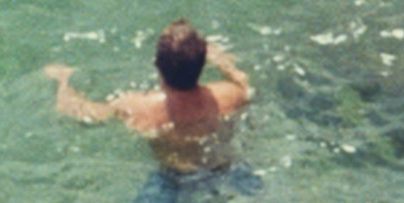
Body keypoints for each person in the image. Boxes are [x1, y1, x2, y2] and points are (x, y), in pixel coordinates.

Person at [46, 20, 255, 171]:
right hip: (224, 169)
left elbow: (81, 113)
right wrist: (221, 61)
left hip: (173, 180)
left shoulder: (135, 107)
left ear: (157, 65)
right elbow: (244, 82)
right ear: (201, 63)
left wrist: (62, 81)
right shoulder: (230, 95)